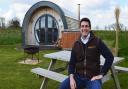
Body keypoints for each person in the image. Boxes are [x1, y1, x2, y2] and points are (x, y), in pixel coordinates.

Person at [59, 17, 114, 89]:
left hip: (93, 78)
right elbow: (72, 63)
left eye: (86, 26)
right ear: (80, 29)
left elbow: (110, 57)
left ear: (90, 28)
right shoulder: (76, 44)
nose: (84, 28)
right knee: (63, 86)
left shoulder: (97, 41)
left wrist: (101, 74)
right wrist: (71, 77)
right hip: (78, 77)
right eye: (82, 26)